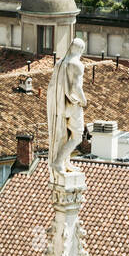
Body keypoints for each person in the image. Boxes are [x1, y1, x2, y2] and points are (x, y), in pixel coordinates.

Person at [46, 37, 87, 177]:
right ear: (81, 50)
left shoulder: (59, 63)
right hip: (72, 104)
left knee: (64, 134)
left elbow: (52, 86)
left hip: (59, 105)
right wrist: (84, 101)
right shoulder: (77, 65)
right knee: (77, 136)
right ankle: (58, 161)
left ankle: (65, 162)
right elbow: (76, 87)